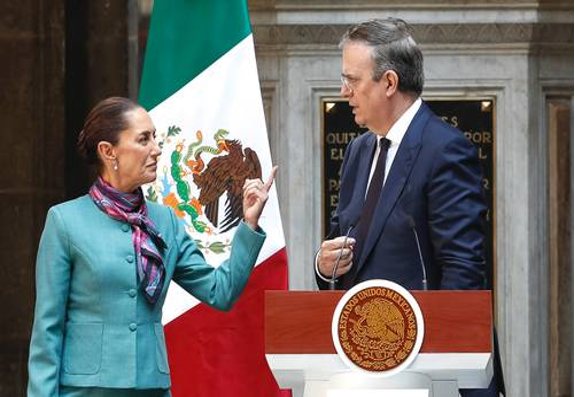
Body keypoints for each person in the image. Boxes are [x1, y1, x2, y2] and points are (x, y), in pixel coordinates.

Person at [27, 97, 277, 397]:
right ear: (108, 151)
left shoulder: (165, 221)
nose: (157, 149)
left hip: (151, 387)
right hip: (85, 390)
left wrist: (248, 225)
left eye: (155, 138)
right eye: (143, 139)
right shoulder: (65, 222)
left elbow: (220, 292)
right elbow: (47, 329)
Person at [315, 18, 504, 396]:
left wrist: (440, 359)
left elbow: (462, 270)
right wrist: (324, 267)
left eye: (352, 80)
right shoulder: (358, 150)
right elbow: (344, 239)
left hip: (430, 370)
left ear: (388, 83)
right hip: (362, 368)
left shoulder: (446, 149)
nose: (343, 91)